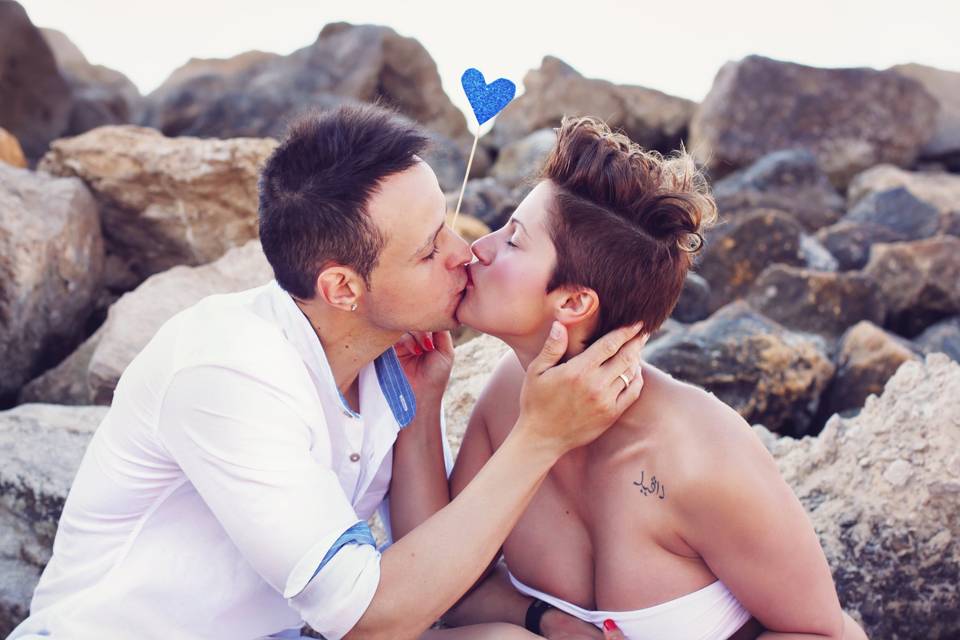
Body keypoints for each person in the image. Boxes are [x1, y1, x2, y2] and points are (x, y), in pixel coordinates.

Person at [8, 105, 649, 640]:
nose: (465, 254)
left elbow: (432, 579)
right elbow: (368, 616)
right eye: (430, 249)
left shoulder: (384, 356)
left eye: (449, 228)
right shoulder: (231, 368)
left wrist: (423, 412)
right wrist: (540, 437)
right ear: (342, 287)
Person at [444, 116, 869, 639]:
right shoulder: (507, 397)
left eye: (513, 241)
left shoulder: (699, 453)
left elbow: (829, 634)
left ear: (574, 301)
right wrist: (548, 622)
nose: (479, 247)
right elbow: (454, 590)